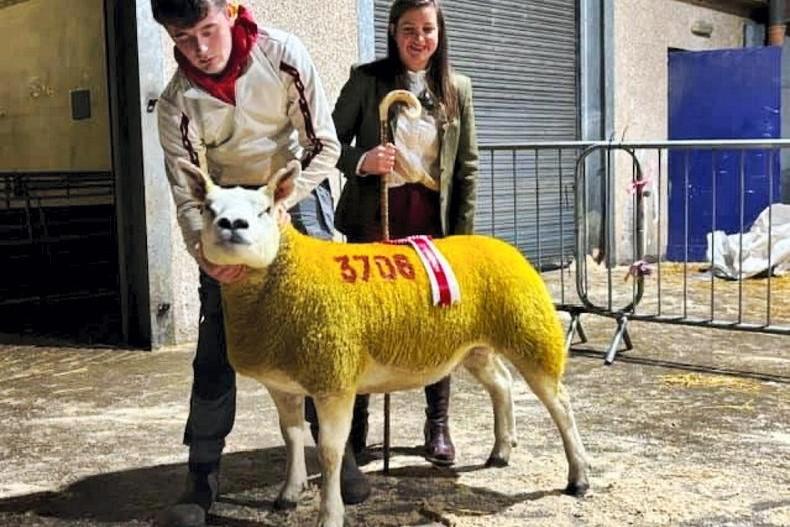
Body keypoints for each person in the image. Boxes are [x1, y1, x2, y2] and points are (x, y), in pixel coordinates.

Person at [150, 1, 362, 525]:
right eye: (182, 38)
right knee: (219, 334)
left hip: (292, 190)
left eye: (207, 30)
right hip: (226, 206)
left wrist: (278, 201)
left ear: (229, 11)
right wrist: (202, 251)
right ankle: (202, 473)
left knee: (318, 328)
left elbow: (324, 144)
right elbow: (187, 192)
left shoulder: (282, 54)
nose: (200, 49)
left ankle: (336, 455)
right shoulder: (176, 102)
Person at [329, 0, 479, 468]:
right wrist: (362, 160)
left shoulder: (457, 88)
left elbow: (467, 168)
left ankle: (438, 425)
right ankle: (355, 427)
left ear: (440, 33)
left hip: (430, 219)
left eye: (428, 29)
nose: (419, 39)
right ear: (393, 32)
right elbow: (326, 141)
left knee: (436, 319)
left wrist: (462, 242)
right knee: (364, 320)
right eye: (409, 29)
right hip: (377, 215)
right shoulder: (366, 80)